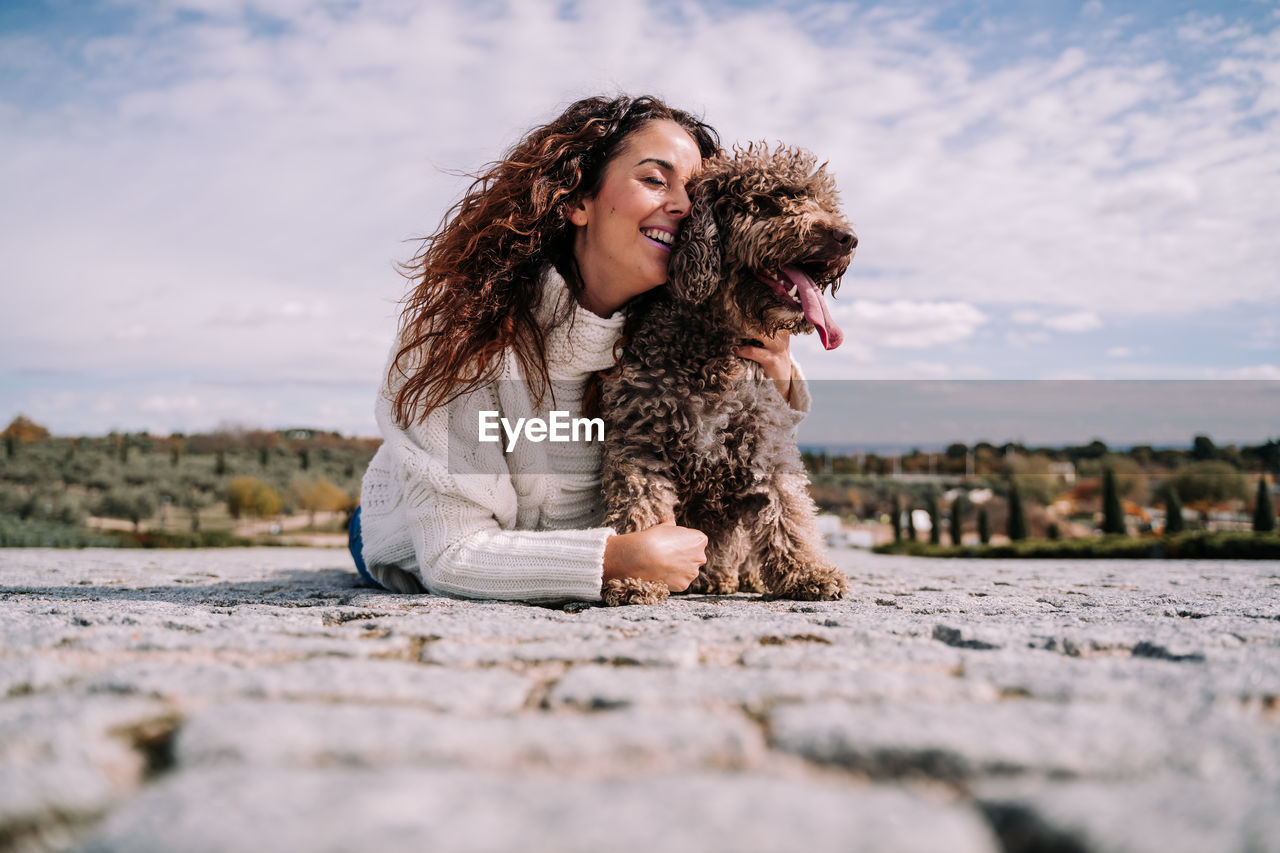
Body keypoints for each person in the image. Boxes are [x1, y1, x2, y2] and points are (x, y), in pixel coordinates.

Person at [351, 95, 809, 602]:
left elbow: (744, 443)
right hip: (415, 528)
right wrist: (618, 559)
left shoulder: (686, 322)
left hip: (557, 543)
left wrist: (784, 380)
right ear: (577, 202)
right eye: (655, 180)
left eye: (696, 195)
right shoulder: (462, 329)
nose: (683, 207)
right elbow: (451, 555)